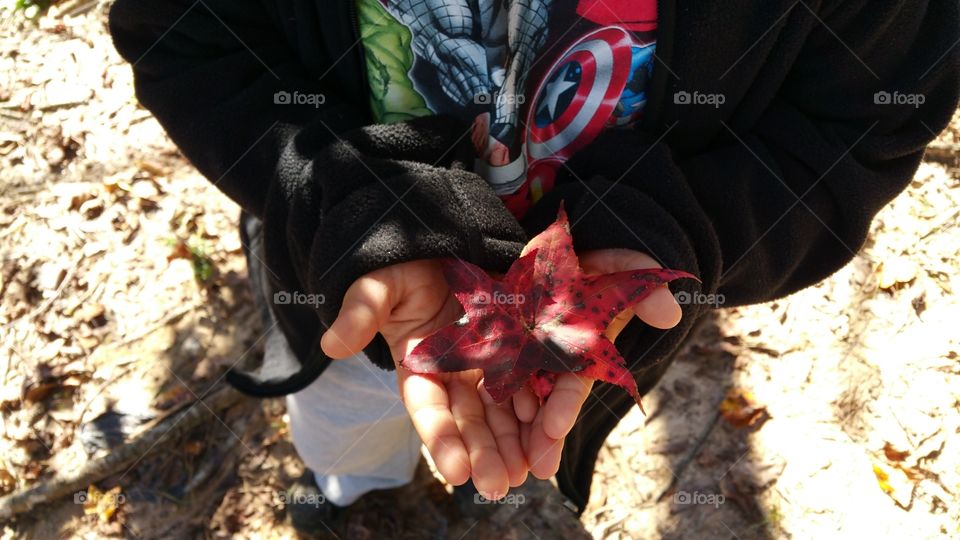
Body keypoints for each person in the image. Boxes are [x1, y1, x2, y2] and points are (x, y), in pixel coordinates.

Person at [109, 0, 959, 533]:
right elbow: (184, 41)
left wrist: (673, 225)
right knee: (344, 412)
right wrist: (347, 202)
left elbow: (864, 118)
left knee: (497, 433)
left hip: (586, 327)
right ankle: (354, 490)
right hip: (347, 278)